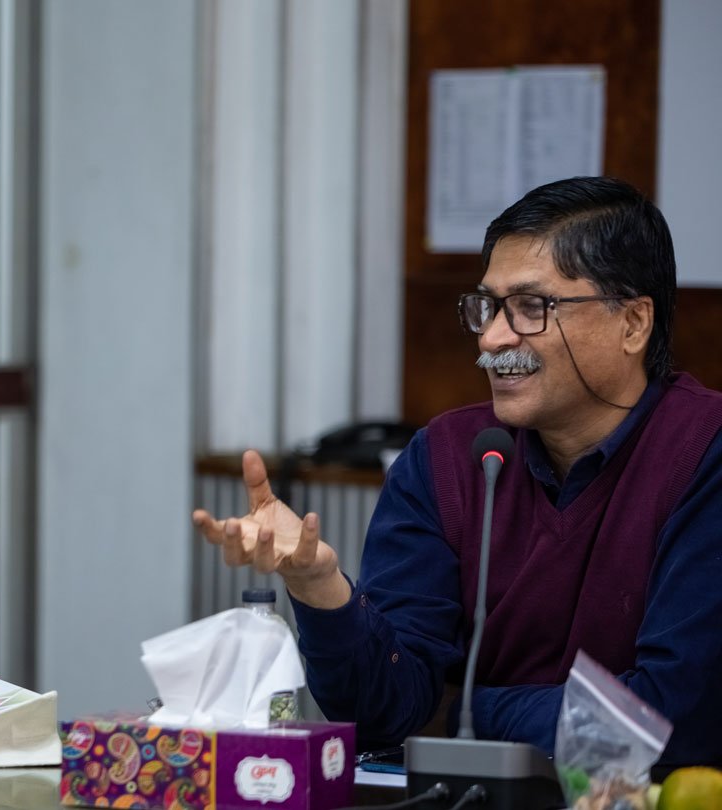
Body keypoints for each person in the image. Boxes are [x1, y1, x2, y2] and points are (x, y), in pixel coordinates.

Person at [193, 176, 722, 766]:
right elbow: (385, 716)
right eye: (488, 307)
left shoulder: (705, 453)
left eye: (530, 308)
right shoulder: (447, 456)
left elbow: (666, 723)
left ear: (632, 323)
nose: (492, 339)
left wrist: (465, 712)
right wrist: (320, 589)